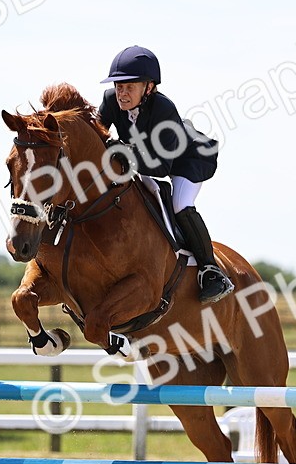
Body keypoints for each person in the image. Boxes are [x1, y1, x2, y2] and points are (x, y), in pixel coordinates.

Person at [98, 45, 234, 304]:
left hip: (186, 160)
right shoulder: (109, 101)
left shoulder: (163, 109)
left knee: (180, 204)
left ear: (149, 87)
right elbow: (97, 139)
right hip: (145, 158)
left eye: (130, 86)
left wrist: (122, 151)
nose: (122, 93)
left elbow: (161, 168)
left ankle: (210, 271)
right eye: (118, 86)